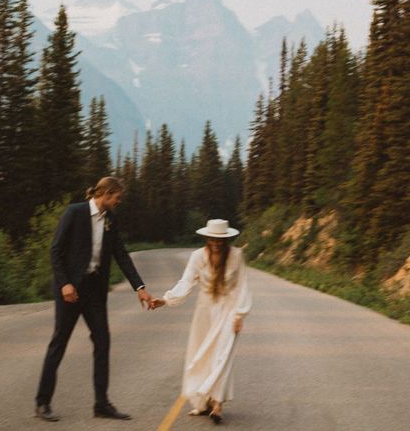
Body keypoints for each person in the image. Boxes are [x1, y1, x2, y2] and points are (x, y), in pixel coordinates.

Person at [35, 176, 152, 422]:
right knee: (59, 343)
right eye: (117, 197)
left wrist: (139, 287)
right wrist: (65, 283)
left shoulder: (111, 219)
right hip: (70, 290)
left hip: (95, 291)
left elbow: (121, 254)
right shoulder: (74, 213)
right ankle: (42, 403)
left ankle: (101, 404)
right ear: (106, 193)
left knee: (103, 341)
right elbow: (55, 250)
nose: (119, 202)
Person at [151, 219, 251, 425]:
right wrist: (166, 299)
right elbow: (186, 281)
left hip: (229, 308)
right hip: (205, 310)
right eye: (212, 239)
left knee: (223, 355)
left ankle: (218, 405)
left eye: (220, 240)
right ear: (207, 238)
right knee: (202, 354)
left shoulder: (236, 256)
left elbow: (242, 285)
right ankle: (203, 401)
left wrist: (240, 314)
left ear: (227, 239)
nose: (216, 243)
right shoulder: (197, 257)